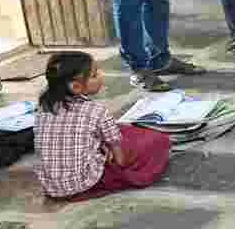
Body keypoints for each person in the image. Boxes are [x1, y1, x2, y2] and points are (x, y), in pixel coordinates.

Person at [34, 52, 171, 201]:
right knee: (158, 140)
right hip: (85, 183)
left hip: (51, 186)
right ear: (76, 87)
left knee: (114, 130)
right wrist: (118, 159)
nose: (101, 75)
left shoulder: (44, 107)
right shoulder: (96, 111)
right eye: (94, 75)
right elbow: (119, 157)